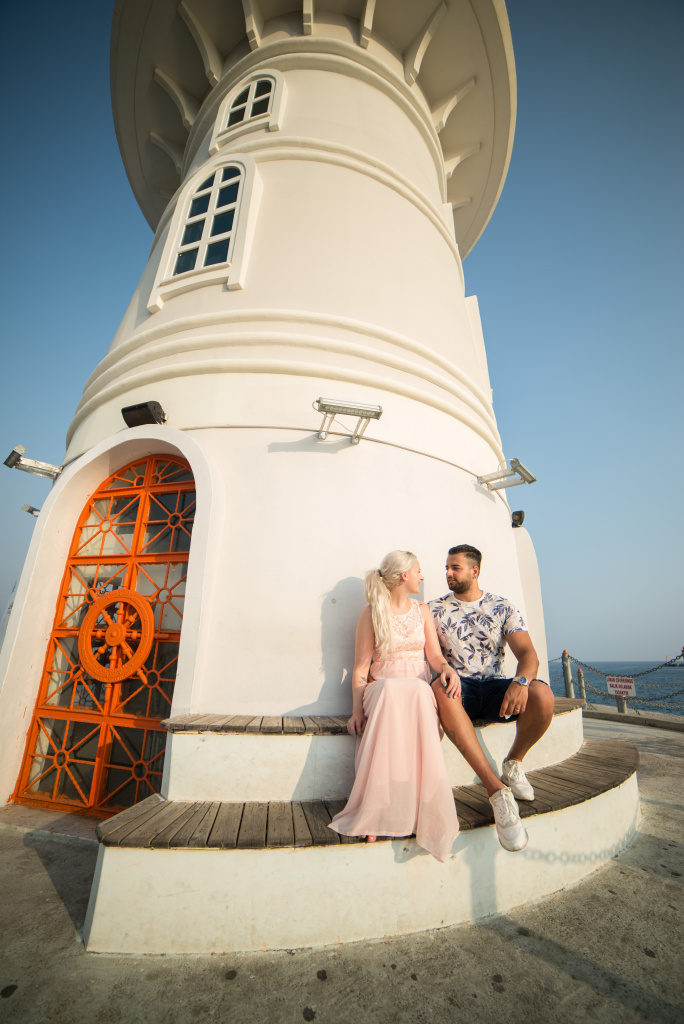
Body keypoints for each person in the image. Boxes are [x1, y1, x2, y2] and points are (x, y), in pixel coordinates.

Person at [328, 550, 460, 862]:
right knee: (391, 690)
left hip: (415, 691)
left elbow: (434, 656)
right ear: (404, 575)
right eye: (418, 570)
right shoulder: (371, 612)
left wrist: (447, 669)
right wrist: (357, 711)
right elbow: (361, 668)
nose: (422, 576)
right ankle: (375, 813)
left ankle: (419, 812)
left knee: (418, 690)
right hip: (382, 689)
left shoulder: (422, 610)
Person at [428, 544, 556, 852]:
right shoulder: (433, 609)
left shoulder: (501, 606)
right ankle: (497, 792)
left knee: (541, 693)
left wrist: (521, 682)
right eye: (446, 567)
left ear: (474, 571)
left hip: (496, 687)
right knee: (439, 688)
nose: (448, 573)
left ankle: (513, 763)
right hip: (460, 689)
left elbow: (528, 655)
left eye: (455, 568)